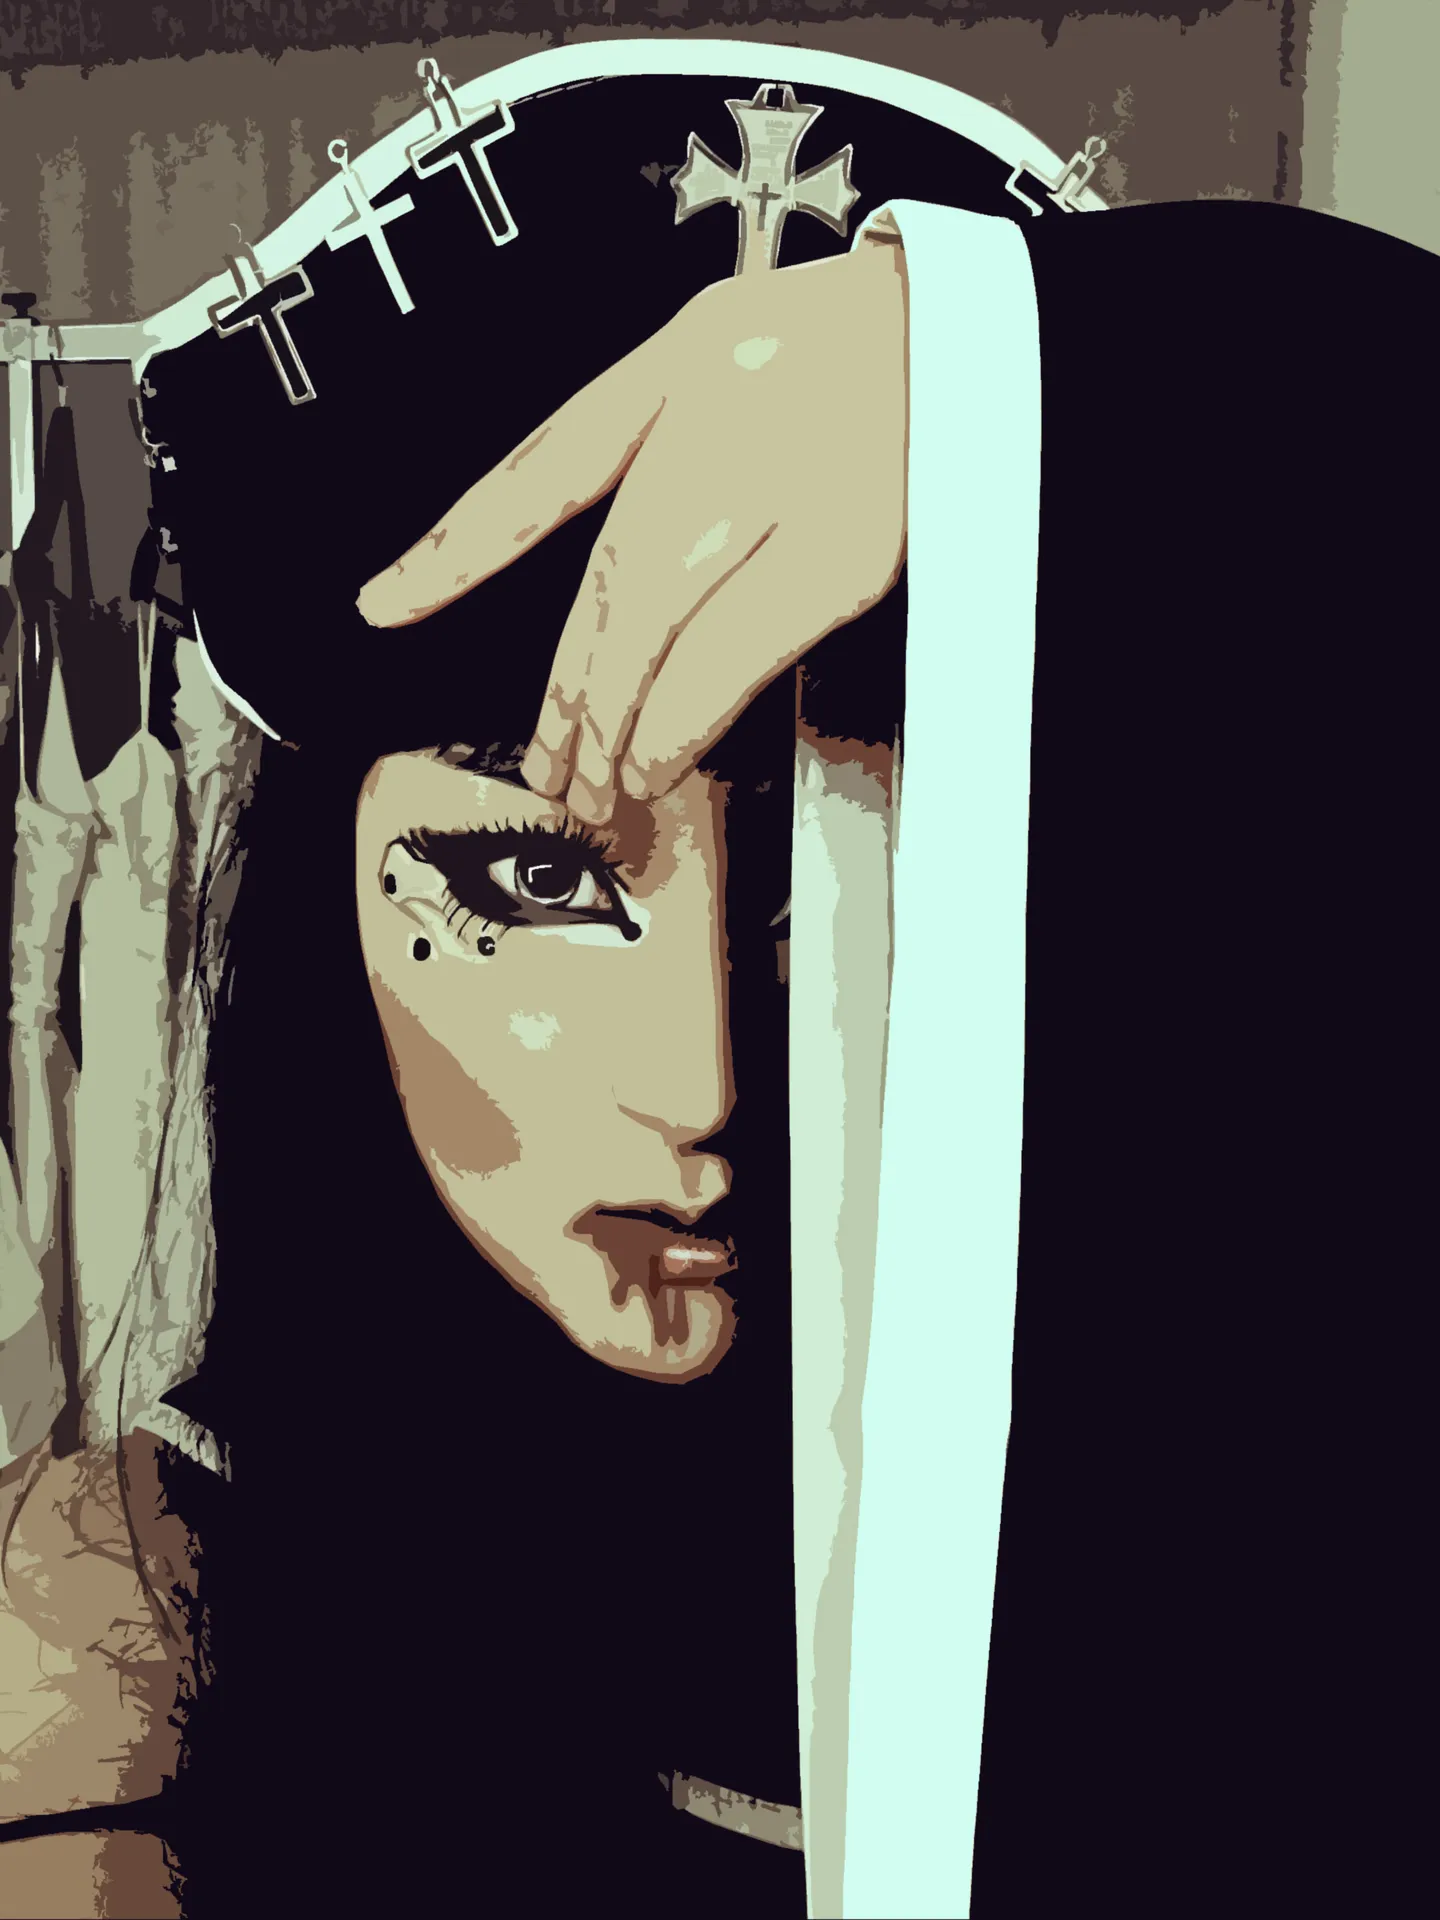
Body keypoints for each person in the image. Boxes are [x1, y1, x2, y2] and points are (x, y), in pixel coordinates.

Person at [3, 48, 1433, 1920]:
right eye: (538, 876)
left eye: (842, 887)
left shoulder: (1256, 1527)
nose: (706, 1086)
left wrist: (1111, 377)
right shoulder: (118, 1639)